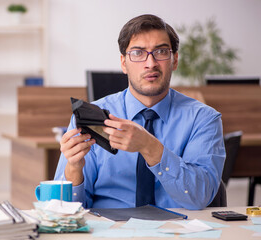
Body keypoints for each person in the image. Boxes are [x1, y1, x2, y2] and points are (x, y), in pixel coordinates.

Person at [54, 14, 225, 210]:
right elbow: (63, 210)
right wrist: (74, 170)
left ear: (174, 60)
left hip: (179, 232)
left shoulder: (203, 119)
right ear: (123, 63)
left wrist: (149, 146)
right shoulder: (90, 117)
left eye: (161, 51)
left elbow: (199, 197)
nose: (150, 63)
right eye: (137, 53)